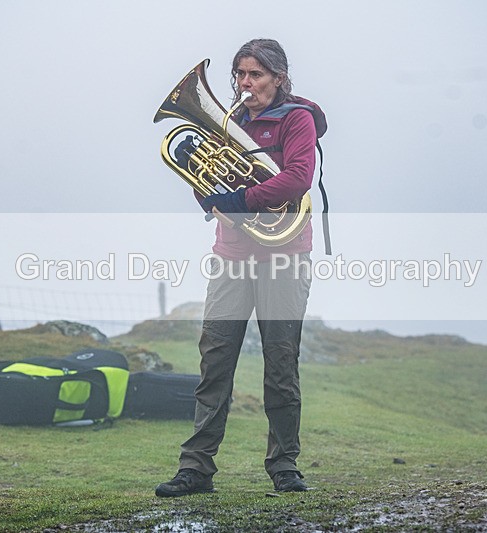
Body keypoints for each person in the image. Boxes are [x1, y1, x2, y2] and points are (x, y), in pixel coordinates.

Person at [155, 38, 327, 497]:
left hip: (285, 258)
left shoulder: (298, 119)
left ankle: (284, 465)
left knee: (280, 363)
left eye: (256, 75)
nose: (246, 84)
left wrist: (244, 198)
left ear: (279, 78)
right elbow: (212, 194)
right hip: (232, 258)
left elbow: (297, 178)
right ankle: (195, 469)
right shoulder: (228, 122)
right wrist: (199, 173)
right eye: (240, 75)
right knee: (215, 362)